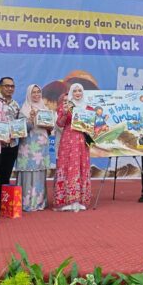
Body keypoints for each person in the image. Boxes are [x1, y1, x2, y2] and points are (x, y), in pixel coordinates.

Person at [53, 83, 91, 211]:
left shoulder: (88, 107)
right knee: (67, 166)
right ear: (71, 93)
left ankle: (79, 199)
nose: (78, 93)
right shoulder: (66, 106)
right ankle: (66, 200)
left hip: (82, 141)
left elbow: (92, 126)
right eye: (75, 91)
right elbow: (59, 123)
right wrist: (64, 113)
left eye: (80, 90)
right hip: (68, 140)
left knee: (80, 166)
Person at [15, 84, 53, 211]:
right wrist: (30, 119)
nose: (36, 95)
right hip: (27, 145)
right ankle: (26, 202)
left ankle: (39, 202)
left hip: (41, 145)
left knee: (39, 172)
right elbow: (21, 130)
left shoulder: (45, 108)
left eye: (38, 92)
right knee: (27, 172)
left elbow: (49, 129)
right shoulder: (23, 110)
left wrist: (49, 125)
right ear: (28, 94)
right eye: (33, 92)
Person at [0, 76, 20, 190]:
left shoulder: (16, 105)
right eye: (7, 86)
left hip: (12, 145)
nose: (10, 88)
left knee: (5, 177)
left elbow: (18, 125)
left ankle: (2, 204)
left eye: (12, 86)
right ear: (0, 87)